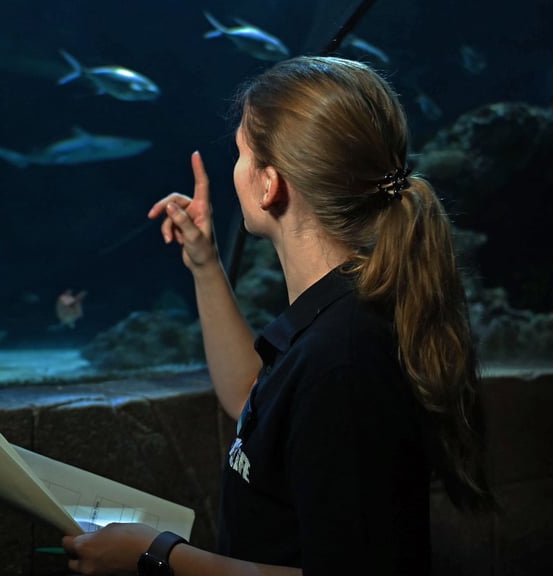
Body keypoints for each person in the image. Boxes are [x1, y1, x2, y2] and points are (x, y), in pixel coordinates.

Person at [61, 55, 494, 576]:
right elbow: (253, 397)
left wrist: (157, 557)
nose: (235, 168)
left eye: (242, 152)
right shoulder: (332, 315)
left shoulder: (346, 357)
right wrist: (205, 264)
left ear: (269, 185)